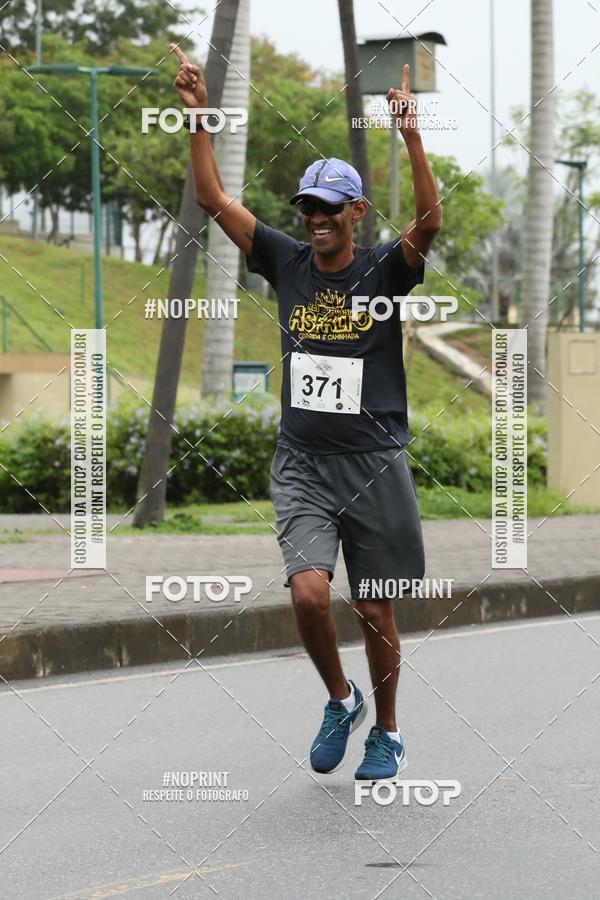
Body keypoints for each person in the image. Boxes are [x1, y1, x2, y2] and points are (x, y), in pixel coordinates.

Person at [172, 44, 441, 781]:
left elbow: (427, 220)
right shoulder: (286, 260)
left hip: (375, 462)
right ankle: (339, 698)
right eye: (306, 207)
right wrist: (198, 117)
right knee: (311, 592)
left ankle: (386, 730)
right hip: (303, 462)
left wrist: (412, 136)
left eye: (328, 208)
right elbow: (214, 200)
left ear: (355, 211)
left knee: (378, 613)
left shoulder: (384, 268)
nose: (314, 218)